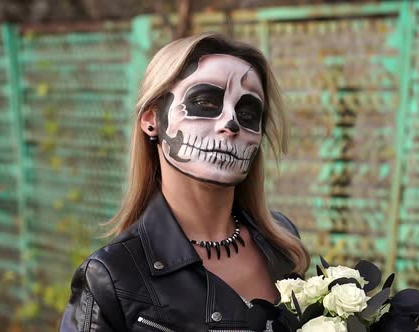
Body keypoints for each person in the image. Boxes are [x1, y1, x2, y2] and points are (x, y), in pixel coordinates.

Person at [60, 32, 310, 332]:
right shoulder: (112, 276)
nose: (230, 123)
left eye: (247, 112)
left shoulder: (282, 241)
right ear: (151, 120)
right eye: (205, 101)